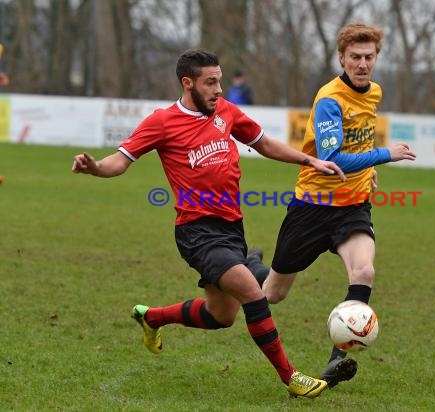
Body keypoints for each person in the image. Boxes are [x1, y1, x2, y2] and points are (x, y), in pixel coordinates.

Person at [71, 48, 347, 398]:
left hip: (232, 228)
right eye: (211, 82)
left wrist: (310, 161)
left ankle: (152, 317)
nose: (219, 89)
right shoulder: (161, 121)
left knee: (222, 316)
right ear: (188, 83)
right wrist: (94, 167)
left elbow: (263, 144)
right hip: (196, 231)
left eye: (219, 80)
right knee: (252, 292)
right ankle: (292, 378)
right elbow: (120, 161)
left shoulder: (226, 112)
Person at [246, 22, 416, 388]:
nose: (362, 63)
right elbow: (332, 157)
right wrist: (385, 155)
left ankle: (337, 359)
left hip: (353, 207)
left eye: (369, 57)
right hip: (313, 208)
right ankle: (252, 267)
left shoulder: (374, 92)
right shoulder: (329, 100)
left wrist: (368, 169)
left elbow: (360, 141)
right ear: (342, 57)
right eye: (355, 56)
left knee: (364, 273)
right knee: (272, 293)